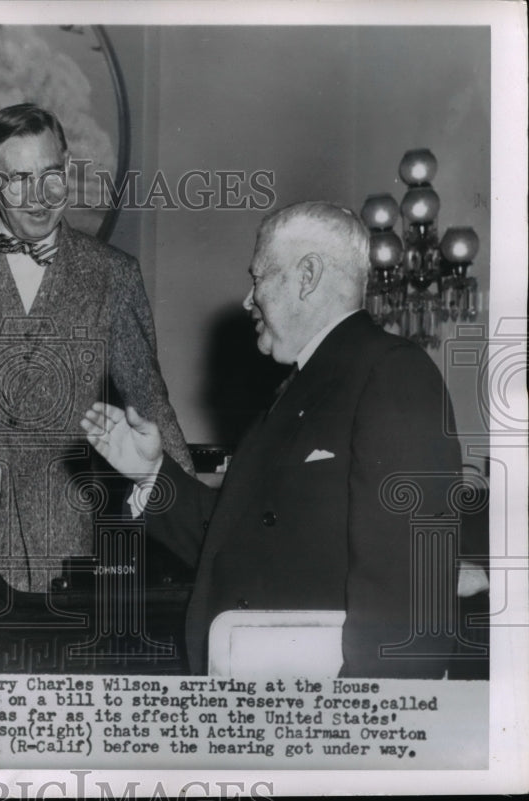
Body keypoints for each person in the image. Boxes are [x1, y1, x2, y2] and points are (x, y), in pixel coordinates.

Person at [82, 201, 462, 678]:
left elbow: (409, 602)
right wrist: (152, 475)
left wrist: (365, 733)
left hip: (326, 724)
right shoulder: (299, 390)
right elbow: (240, 543)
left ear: (307, 275)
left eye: (257, 276)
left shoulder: (393, 373)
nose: (248, 298)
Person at [0, 103, 193, 592]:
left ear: (67, 165)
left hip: (61, 543)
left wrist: (195, 523)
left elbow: (150, 405)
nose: (40, 197)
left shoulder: (113, 275)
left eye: (51, 174)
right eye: (19, 179)